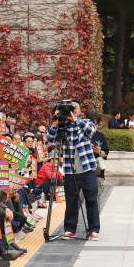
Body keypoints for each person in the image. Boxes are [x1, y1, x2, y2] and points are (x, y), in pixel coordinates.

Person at [45, 102, 100, 241]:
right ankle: (70, 229)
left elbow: (91, 131)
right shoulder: (63, 126)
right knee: (71, 200)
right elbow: (50, 139)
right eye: (70, 108)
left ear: (80, 111)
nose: (72, 111)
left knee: (91, 200)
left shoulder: (85, 122)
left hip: (87, 167)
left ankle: (94, 229)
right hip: (70, 169)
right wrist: (56, 122)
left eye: (74, 108)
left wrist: (75, 120)